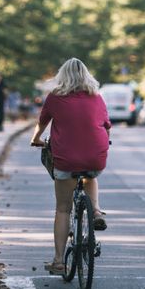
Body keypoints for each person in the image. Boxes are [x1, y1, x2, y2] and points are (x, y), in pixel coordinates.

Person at [30, 57, 111, 276]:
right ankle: (95, 211)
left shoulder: (55, 97)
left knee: (63, 208)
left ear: (62, 76)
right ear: (87, 75)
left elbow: (43, 122)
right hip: (95, 156)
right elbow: (106, 125)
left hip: (66, 158)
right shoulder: (97, 97)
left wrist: (36, 138)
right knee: (90, 174)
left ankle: (58, 261)